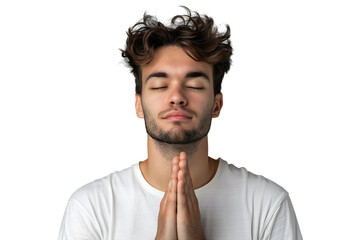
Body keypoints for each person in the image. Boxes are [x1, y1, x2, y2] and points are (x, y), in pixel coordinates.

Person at [58, 7, 302, 240]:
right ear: (139, 105)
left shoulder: (267, 204)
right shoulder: (91, 208)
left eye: (195, 85)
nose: (176, 97)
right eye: (159, 86)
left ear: (216, 105)